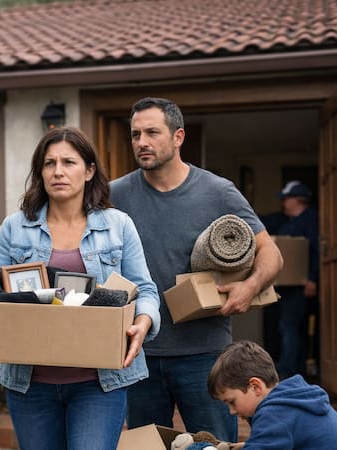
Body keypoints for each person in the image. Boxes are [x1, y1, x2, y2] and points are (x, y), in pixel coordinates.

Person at [0, 126, 161, 450]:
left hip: (99, 383)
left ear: (89, 171)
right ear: (40, 172)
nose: (58, 171)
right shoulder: (15, 227)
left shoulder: (118, 226)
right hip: (30, 384)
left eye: (69, 162)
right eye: (49, 163)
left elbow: (145, 290)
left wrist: (143, 322)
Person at [109, 97, 283, 442]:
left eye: (152, 132)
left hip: (205, 353)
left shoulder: (218, 192)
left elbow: (271, 253)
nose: (142, 142)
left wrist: (249, 288)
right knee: (147, 447)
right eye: (135, 134)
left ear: (178, 137)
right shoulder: (116, 194)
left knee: (213, 446)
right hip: (139, 351)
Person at [207, 340, 337, 449]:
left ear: (255, 386)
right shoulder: (290, 400)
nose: (231, 411)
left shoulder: (274, 413)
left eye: (232, 402)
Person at [269, 181, 320, 379]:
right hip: (288, 286)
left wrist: (313, 279)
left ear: (298, 199)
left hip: (301, 286)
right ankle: (297, 372)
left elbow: (316, 251)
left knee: (290, 328)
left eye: (286, 198)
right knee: (291, 328)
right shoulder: (288, 222)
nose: (283, 203)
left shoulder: (311, 220)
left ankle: (287, 372)